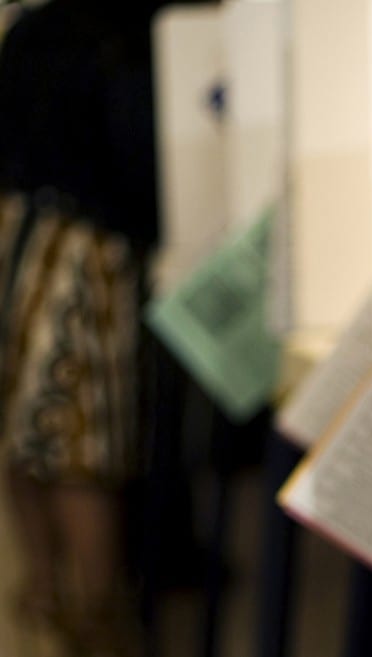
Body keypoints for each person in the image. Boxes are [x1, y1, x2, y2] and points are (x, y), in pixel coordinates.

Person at [0, 1, 163, 654]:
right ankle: (95, 612)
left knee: (22, 428)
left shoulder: (30, 30)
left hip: (16, 235)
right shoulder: (122, 35)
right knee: (82, 444)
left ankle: (43, 589)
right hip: (85, 252)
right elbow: (139, 163)